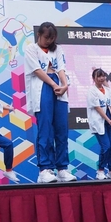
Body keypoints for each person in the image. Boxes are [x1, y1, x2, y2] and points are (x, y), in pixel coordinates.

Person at [24, 22, 76, 183]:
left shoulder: (58, 49)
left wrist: (64, 85)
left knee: (62, 130)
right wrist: (54, 85)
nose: (49, 41)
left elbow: (61, 69)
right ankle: (45, 169)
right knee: (45, 130)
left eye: (52, 38)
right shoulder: (31, 49)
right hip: (43, 87)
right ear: (39, 35)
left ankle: (62, 168)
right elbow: (37, 70)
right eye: (46, 37)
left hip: (59, 88)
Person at [87, 68, 111, 179]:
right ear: (94, 78)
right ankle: (100, 171)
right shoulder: (91, 91)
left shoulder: (108, 90)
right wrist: (108, 119)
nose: (101, 78)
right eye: (99, 76)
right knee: (106, 147)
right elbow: (97, 108)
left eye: (103, 76)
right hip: (99, 121)